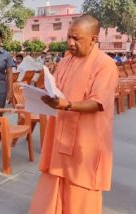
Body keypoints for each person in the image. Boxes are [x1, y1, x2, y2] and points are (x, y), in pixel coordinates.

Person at [29, 15, 118, 214]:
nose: (70, 43)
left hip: (86, 138)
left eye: (76, 38)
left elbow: (98, 102)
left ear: (93, 39)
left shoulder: (105, 64)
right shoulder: (66, 60)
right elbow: (56, 90)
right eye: (69, 37)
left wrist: (67, 105)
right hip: (60, 131)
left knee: (80, 184)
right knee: (54, 176)